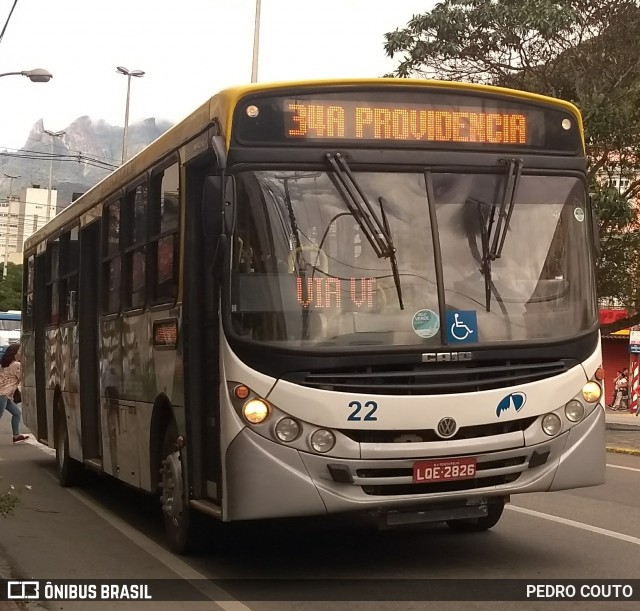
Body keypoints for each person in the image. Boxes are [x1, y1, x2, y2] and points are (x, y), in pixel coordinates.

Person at [0, 343, 28, 442]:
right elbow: (22, 378)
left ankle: (16, 435)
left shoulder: (4, 364)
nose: (22, 353)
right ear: (15, 353)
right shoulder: (16, 365)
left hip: (5, 395)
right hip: (2, 395)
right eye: (20, 351)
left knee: (17, 413)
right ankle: (16, 435)